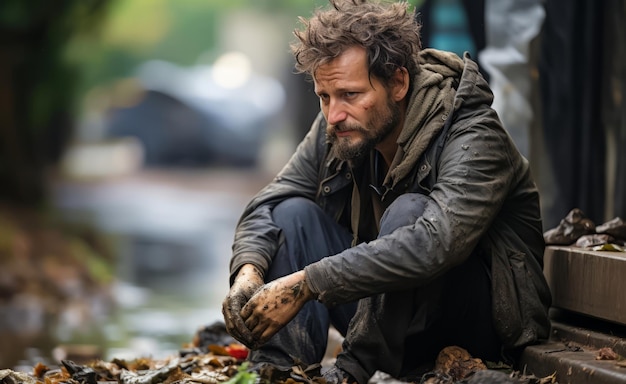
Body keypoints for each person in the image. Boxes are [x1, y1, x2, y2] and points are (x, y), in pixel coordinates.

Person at [222, 0, 552, 382]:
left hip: (477, 325)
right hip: (383, 319)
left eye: (350, 94)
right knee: (291, 214)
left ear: (398, 82)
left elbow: (434, 243)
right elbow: (271, 199)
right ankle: (277, 371)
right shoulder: (342, 125)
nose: (334, 114)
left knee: (409, 212)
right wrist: (248, 270)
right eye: (324, 97)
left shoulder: (473, 131)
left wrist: (307, 283)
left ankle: (352, 372)